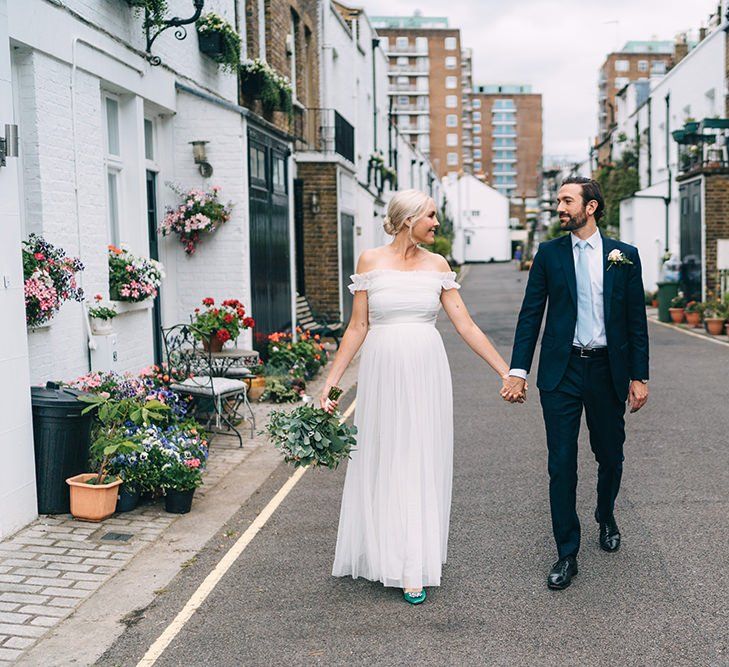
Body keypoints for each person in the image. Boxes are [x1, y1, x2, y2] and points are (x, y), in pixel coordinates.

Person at [321, 189, 518, 605]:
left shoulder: (438, 265)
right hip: (382, 371)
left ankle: (413, 565)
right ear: (409, 219)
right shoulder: (370, 261)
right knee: (386, 458)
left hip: (427, 371)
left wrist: (506, 371)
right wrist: (331, 385)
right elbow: (357, 328)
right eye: (431, 215)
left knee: (418, 460)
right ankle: (385, 553)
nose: (437, 223)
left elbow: (465, 324)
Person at [502, 176, 649, 590]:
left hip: (607, 371)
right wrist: (518, 369)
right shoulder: (549, 255)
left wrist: (639, 376)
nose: (559, 207)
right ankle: (567, 552)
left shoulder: (625, 255)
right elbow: (531, 314)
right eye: (558, 201)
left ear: (591, 207)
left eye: (567, 200)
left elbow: (636, 322)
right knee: (561, 464)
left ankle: (605, 513)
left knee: (610, 455)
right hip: (561, 371)